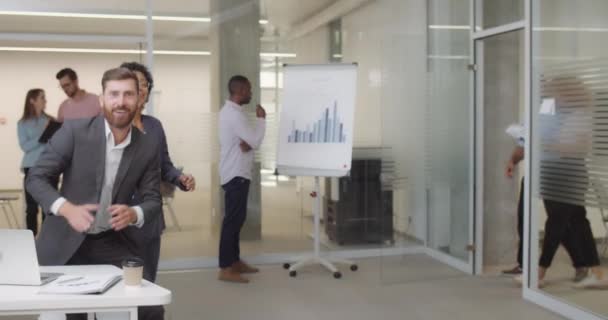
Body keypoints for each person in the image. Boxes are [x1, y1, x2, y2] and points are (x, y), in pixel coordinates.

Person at [26, 68, 161, 320]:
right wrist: (66, 208)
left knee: (150, 309)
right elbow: (36, 178)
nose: (121, 102)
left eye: (128, 94)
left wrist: (134, 213)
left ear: (139, 99)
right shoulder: (74, 132)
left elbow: (153, 199)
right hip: (66, 242)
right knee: (73, 313)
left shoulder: (148, 145)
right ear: (102, 99)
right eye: (114, 94)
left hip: (110, 241)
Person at [120, 61, 195, 283]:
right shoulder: (112, 127)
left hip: (150, 217)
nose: (140, 89)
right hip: (121, 218)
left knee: (148, 279)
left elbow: (164, 164)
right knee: (123, 283)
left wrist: (180, 179)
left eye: (144, 85)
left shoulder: (154, 126)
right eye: (134, 83)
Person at [217, 75, 266, 283]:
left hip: (238, 173)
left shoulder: (234, 113)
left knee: (237, 221)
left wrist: (249, 143)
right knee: (232, 222)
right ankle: (225, 268)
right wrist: (262, 120)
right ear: (241, 91)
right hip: (235, 174)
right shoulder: (233, 115)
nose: (251, 94)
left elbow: (248, 142)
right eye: (249, 90)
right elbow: (254, 140)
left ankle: (234, 262)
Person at [17, 89, 58, 235]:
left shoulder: (52, 120)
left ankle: (49, 239)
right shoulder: (22, 123)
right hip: (31, 167)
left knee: (49, 206)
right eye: (42, 98)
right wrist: (43, 133)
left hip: (50, 167)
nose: (45, 100)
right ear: (32, 100)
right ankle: (30, 240)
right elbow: (25, 146)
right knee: (32, 207)